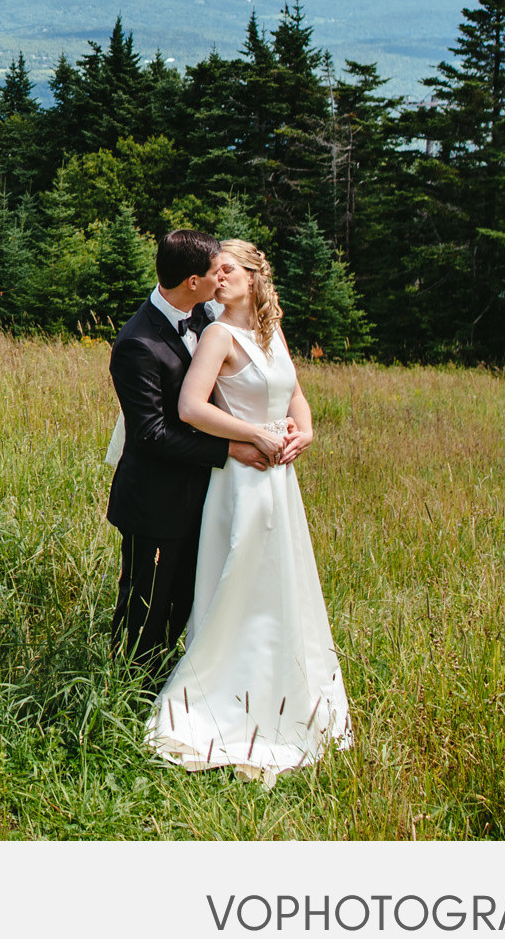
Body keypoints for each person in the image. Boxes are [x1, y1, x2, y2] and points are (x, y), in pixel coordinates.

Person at [146, 237, 351, 781]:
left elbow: (294, 392)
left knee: (280, 584)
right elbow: (191, 408)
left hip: (281, 480)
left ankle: (284, 691)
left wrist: (304, 429)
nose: (217, 278)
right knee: (240, 582)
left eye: (227, 269)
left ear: (256, 275)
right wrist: (254, 435)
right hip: (242, 477)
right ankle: (222, 700)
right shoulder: (218, 334)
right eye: (213, 271)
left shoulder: (269, 330)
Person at [105, 228, 273, 663]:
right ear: (192, 282)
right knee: (144, 609)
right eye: (214, 273)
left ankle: (165, 683)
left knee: (184, 601)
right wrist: (230, 450)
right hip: (155, 500)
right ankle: (126, 690)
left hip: (204, 494)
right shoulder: (136, 344)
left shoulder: (203, 314)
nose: (221, 279)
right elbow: (150, 434)